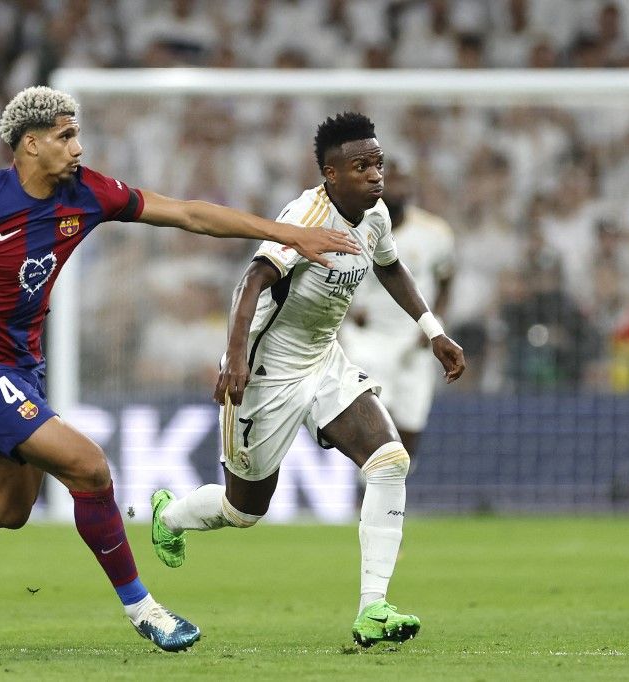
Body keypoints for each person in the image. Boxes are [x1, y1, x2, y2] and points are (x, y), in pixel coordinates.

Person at [0, 86, 359, 653]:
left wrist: (284, 232)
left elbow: (187, 213)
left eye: (76, 134)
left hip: (23, 368)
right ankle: (145, 611)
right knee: (90, 468)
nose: (78, 147)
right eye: (65, 136)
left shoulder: (88, 193)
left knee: (3, 509)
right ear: (29, 145)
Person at [148, 113, 466, 647]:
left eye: (378, 165)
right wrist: (233, 357)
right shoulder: (306, 216)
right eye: (361, 166)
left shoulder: (376, 215)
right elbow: (253, 278)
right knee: (243, 511)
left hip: (324, 359)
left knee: (390, 462)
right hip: (267, 373)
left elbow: (389, 267)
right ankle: (171, 515)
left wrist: (433, 330)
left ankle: (374, 608)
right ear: (331, 173)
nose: (375, 176)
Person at [339, 159, 455, 463]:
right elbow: (334, 275)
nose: (400, 187)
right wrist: (350, 311)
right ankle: (367, 492)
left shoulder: (435, 232)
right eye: (394, 180)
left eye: (405, 181)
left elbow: (445, 282)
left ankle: (388, 491)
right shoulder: (353, 227)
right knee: (376, 423)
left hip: (413, 340)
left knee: (411, 426)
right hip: (368, 338)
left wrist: (434, 325)